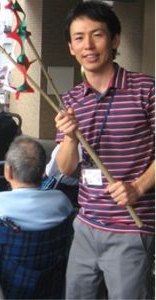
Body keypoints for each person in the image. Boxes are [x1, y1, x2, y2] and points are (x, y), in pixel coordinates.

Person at [54, 2, 154, 298]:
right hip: (85, 223)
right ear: (71, 47)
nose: (88, 45)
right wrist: (71, 138)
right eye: (79, 37)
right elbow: (66, 168)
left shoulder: (146, 90)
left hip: (130, 226)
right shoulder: (70, 100)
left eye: (97, 35)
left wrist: (138, 187)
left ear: (115, 40)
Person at [0, 136, 74, 256]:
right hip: (53, 268)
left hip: (4, 273)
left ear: (8, 171)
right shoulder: (61, 200)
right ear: (43, 172)